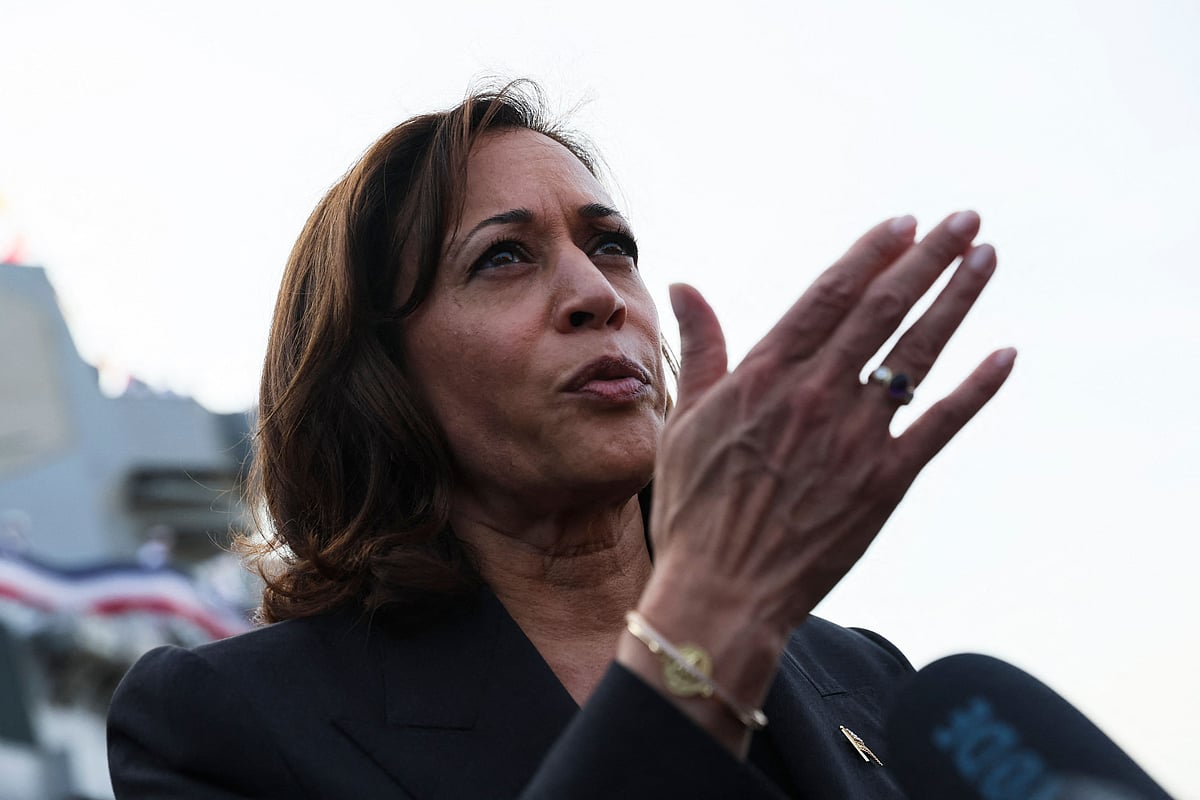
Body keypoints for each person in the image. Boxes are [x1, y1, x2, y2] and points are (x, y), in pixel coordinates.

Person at [107, 83, 1014, 799]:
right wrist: (704, 631)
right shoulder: (225, 725)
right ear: (379, 376)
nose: (597, 294)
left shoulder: (871, 679)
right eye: (503, 257)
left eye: (612, 246)